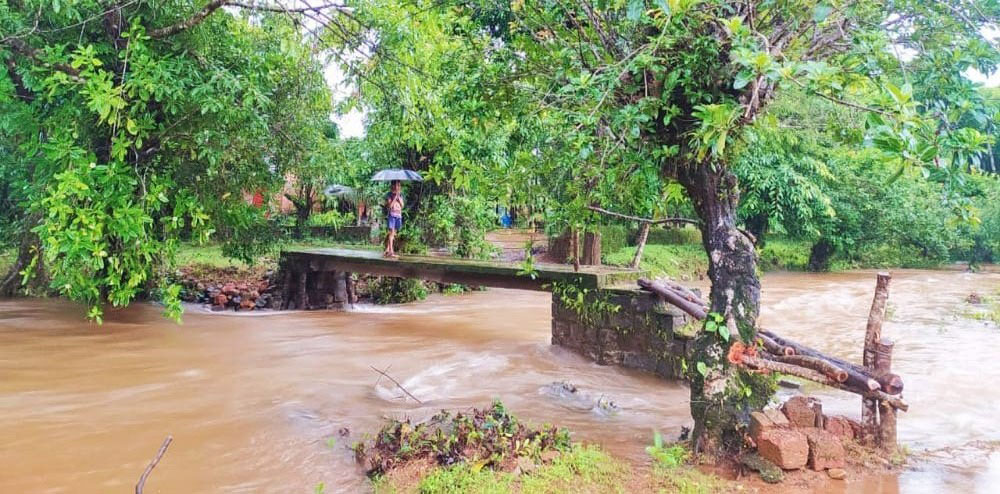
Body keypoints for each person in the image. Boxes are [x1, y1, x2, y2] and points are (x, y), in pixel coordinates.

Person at [384, 180, 404, 257]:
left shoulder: (400, 195)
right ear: (392, 186)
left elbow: (402, 205)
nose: (397, 187)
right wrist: (395, 197)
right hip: (392, 215)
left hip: (398, 215)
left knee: (394, 233)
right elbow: (390, 206)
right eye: (395, 185)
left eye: (398, 185)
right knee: (391, 232)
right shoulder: (389, 195)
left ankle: (388, 249)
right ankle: (391, 252)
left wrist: (398, 197)